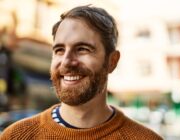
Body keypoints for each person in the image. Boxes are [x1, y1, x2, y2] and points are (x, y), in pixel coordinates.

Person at [0, 5, 163, 140]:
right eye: (59, 50)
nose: (66, 61)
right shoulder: (16, 136)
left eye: (82, 49)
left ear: (112, 61)